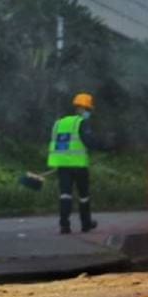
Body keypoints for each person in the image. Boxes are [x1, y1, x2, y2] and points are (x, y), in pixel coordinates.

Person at [47, 93, 98, 234]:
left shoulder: (59, 123)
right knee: (83, 195)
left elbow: (58, 143)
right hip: (78, 165)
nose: (89, 113)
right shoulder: (81, 123)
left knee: (65, 195)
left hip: (62, 165)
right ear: (84, 108)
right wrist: (107, 146)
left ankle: (64, 225)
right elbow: (89, 142)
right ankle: (86, 224)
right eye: (88, 109)